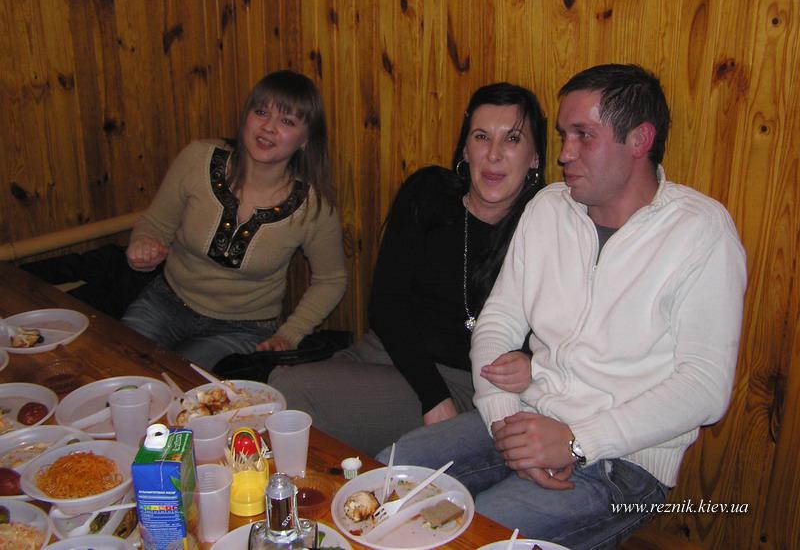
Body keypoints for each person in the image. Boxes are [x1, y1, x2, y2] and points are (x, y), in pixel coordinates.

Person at [380, 64, 747, 548]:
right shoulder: (550, 206)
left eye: (583, 135)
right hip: (524, 415)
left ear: (639, 140)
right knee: (386, 476)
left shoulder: (700, 231)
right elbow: (498, 320)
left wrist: (577, 442)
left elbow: (704, 387)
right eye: (562, 134)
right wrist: (504, 418)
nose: (564, 153)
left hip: (625, 461)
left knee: (472, 536)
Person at [269, 82, 547, 456]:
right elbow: (386, 304)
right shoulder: (429, 192)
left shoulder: (546, 227)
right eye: (481, 137)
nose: (494, 154)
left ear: (535, 157)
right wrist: (432, 397)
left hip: (464, 381)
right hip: (388, 353)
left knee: (290, 395)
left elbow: (563, 333)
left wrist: (532, 365)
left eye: (512, 139)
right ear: (466, 149)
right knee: (273, 393)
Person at [122, 70, 347, 370]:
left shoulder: (313, 207)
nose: (268, 127)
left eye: (287, 121)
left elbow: (331, 280)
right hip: (165, 303)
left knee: (184, 384)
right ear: (246, 118)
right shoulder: (198, 158)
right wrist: (143, 245)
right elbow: (155, 224)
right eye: (261, 112)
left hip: (242, 329)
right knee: (117, 367)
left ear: (306, 140)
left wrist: (290, 334)